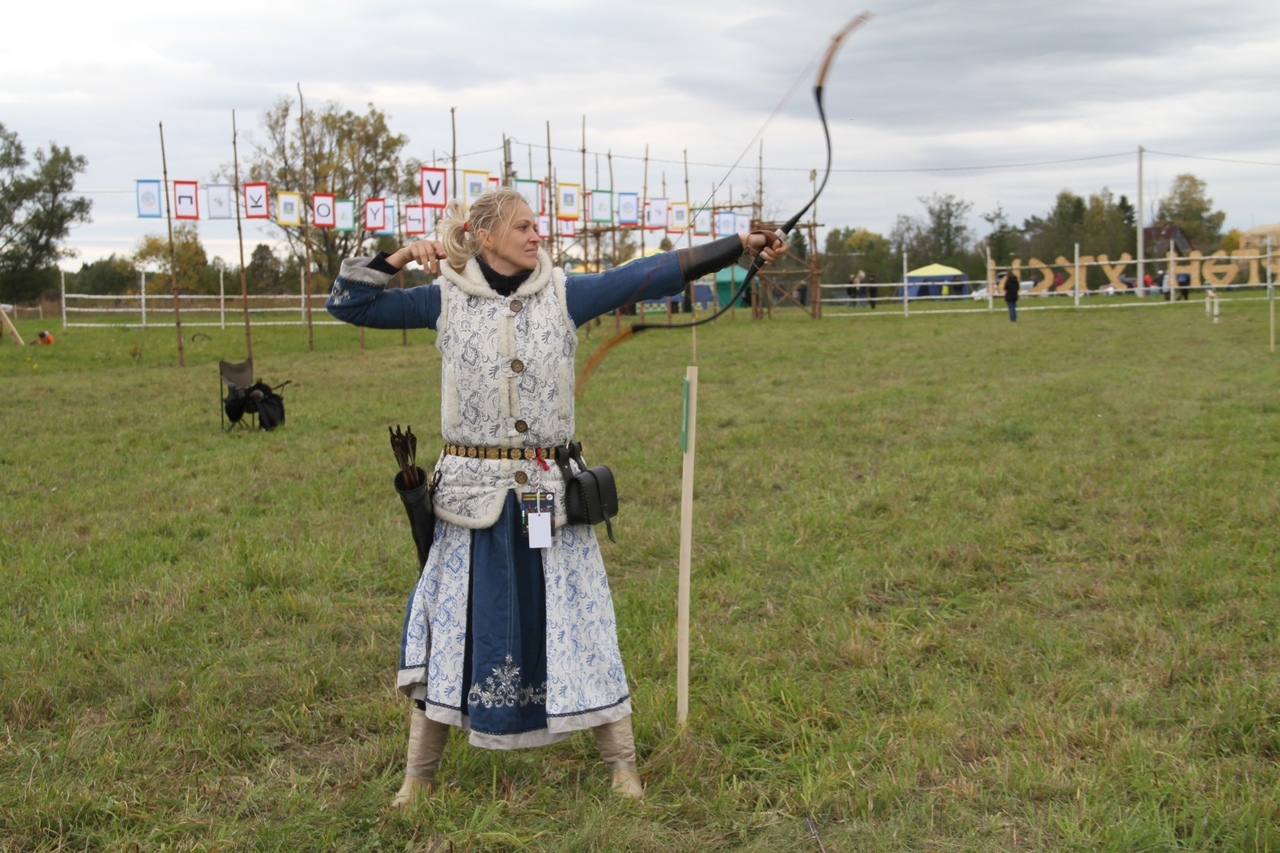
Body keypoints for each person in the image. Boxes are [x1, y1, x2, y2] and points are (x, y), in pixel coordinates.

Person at [326, 188, 784, 807]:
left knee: (577, 616)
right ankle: (417, 777)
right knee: (455, 626)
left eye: (538, 224)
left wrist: (739, 246)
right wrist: (405, 252)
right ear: (484, 236)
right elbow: (348, 304)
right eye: (522, 226)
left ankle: (622, 765)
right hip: (469, 496)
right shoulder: (444, 299)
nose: (536, 234)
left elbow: (646, 275)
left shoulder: (565, 292)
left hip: (545, 494)